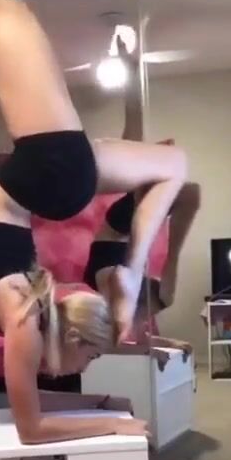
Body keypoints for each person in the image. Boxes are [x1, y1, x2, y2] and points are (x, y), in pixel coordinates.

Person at [0, 0, 187, 445]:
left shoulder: (24, 321)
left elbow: (31, 426)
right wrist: (110, 418)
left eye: (92, 357)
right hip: (44, 175)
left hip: (49, 177)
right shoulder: (26, 317)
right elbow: (33, 423)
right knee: (3, 1)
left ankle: (130, 271)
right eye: (94, 356)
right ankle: (131, 271)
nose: (88, 365)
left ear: (75, 334)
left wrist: (103, 412)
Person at [84, 41, 200, 351]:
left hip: (111, 247)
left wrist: (132, 70)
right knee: (188, 194)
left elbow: (126, 342)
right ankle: (150, 268)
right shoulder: (149, 303)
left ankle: (151, 268)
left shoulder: (116, 306)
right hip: (119, 257)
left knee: (186, 191)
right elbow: (139, 340)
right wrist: (170, 344)